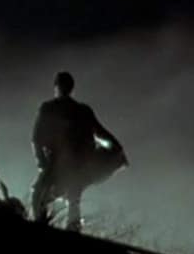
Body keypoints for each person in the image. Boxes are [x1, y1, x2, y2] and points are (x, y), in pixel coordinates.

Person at [31, 72, 126, 231]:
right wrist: (116, 148)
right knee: (68, 196)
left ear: (56, 87)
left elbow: (36, 138)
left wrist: (42, 164)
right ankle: (69, 226)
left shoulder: (52, 108)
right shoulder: (78, 110)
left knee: (42, 196)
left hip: (66, 163)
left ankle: (60, 226)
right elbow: (100, 133)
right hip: (73, 163)